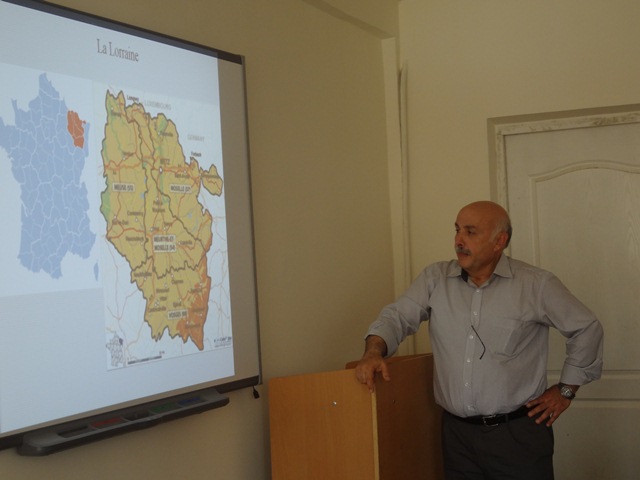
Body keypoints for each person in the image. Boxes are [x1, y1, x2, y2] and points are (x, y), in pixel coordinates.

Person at [355, 200, 604, 480]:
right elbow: (396, 317)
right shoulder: (435, 279)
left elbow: (586, 328)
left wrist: (566, 390)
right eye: (457, 230)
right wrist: (373, 351)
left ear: (500, 241)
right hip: (457, 435)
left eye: (470, 232)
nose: (459, 240)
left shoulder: (536, 284)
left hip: (518, 435)